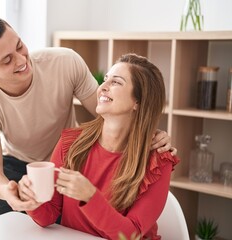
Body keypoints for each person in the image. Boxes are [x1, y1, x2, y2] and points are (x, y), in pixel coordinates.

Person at [0, 12, 175, 218]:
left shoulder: (65, 62)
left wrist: (149, 134)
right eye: (7, 60)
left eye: (19, 46)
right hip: (18, 169)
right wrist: (8, 191)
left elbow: (109, 111)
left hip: (68, 162)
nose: (21, 60)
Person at [18, 53, 180, 240]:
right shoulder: (71, 144)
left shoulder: (157, 160)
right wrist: (31, 200)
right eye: (105, 80)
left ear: (138, 101)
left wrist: (90, 197)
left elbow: (130, 235)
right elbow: (48, 215)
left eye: (116, 82)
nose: (102, 87)